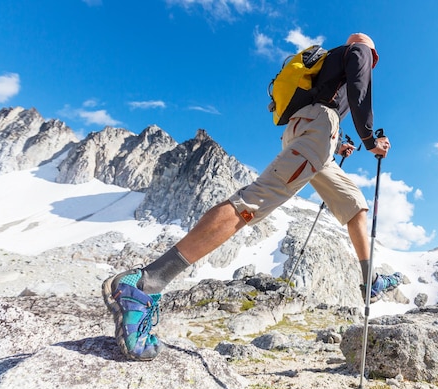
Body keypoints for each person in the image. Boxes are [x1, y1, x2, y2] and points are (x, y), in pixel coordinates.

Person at [102, 32, 402, 361]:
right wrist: (369, 138)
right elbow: (357, 93)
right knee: (253, 203)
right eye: (374, 59)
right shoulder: (358, 51)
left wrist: (338, 142)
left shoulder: (331, 65)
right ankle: (146, 282)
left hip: (312, 131)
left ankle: (368, 279)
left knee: (354, 204)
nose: (372, 63)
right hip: (318, 128)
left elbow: (328, 103)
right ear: (371, 54)